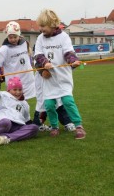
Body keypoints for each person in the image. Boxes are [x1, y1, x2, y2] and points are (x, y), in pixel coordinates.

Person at [34, 9, 86, 139]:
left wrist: (73, 61)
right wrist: (44, 64)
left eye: (43, 26)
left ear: (52, 24)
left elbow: (69, 53)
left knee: (68, 101)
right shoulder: (40, 38)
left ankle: (79, 126)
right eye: (39, 26)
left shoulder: (64, 37)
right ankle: (54, 126)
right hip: (49, 80)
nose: (40, 29)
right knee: (49, 105)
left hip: (62, 77)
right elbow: (38, 56)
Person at [0, 21, 36, 100]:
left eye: (15, 37)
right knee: (16, 102)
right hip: (14, 83)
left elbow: (27, 56)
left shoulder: (24, 43)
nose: (13, 39)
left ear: (19, 35)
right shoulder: (4, 49)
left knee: (31, 100)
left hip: (28, 80)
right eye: (10, 37)